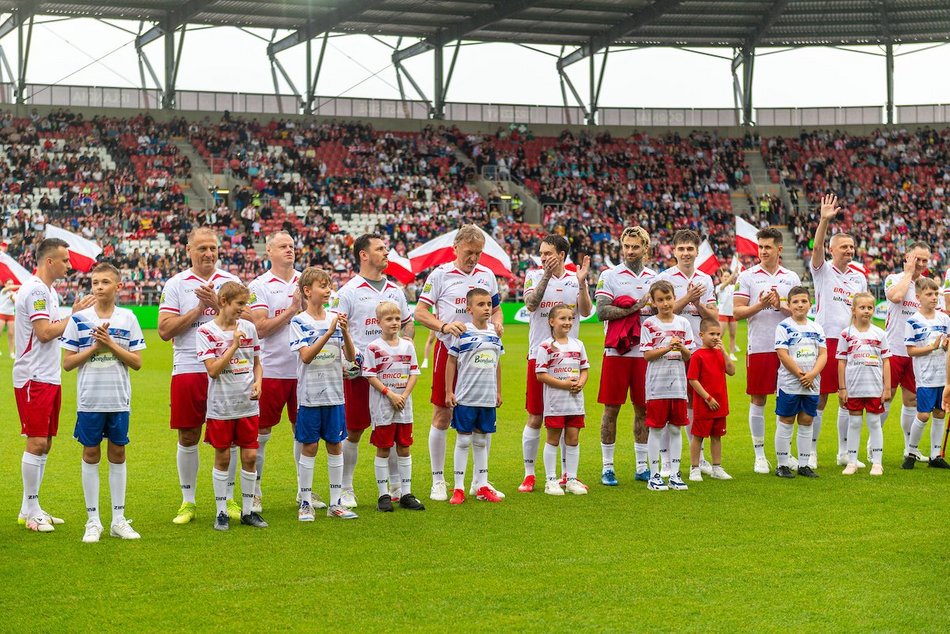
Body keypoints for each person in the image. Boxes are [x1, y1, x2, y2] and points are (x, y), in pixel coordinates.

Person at [414, 225, 504, 502]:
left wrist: (498, 323)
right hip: (449, 352)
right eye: (469, 252)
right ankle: (439, 479)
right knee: (442, 414)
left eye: (478, 253)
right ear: (456, 248)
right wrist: (443, 325)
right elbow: (420, 312)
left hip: (482, 358)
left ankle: (480, 481)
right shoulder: (440, 275)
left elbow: (497, 308)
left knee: (482, 413)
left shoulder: (487, 275)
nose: (474, 258)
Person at [158, 226, 241, 525]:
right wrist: (199, 308)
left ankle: (228, 498)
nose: (208, 253)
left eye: (213, 248)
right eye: (202, 248)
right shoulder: (177, 283)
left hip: (228, 370)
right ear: (189, 250)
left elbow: (246, 322)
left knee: (229, 437)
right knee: (189, 434)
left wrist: (218, 305)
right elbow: (165, 331)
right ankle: (188, 501)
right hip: (189, 367)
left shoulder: (231, 282)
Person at [15, 238, 95, 532]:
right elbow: (45, 332)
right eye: (65, 260)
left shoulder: (47, 291)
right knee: (36, 441)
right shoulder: (36, 289)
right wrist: (73, 316)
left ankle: (29, 507)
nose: (69, 265)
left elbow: (52, 329)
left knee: (45, 441)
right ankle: (32, 509)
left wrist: (70, 316)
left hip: (47, 375)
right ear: (49, 261)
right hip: (33, 377)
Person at [62, 263, 145, 542]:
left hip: (118, 399)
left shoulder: (128, 318)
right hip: (90, 401)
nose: (98, 287)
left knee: (118, 454)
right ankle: (93, 520)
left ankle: (118, 520)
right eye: (95, 282)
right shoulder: (79, 320)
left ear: (118, 287)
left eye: (105, 282)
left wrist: (110, 344)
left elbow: (136, 362)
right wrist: (95, 348)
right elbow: (68, 363)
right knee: (90, 454)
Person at [333, 234, 414, 508]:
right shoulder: (348, 291)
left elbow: (409, 324)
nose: (386, 252)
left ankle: (396, 488)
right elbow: (336, 331)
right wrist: (345, 363)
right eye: (380, 249)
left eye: (386, 248)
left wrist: (406, 344)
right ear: (363, 255)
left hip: (392, 372)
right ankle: (346, 488)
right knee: (354, 430)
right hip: (359, 371)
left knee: (391, 428)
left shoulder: (395, 291)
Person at [519, 234, 592, 493]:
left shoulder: (575, 279)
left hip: (569, 359)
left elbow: (585, 311)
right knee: (536, 416)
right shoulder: (533, 276)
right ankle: (530, 474)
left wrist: (582, 284)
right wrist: (546, 276)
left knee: (567, 419)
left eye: (548, 253)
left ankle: (567, 476)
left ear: (561, 255)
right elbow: (530, 304)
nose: (543, 258)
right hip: (539, 356)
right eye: (541, 253)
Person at [196, 282, 267, 531]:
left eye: (245, 304)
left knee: (249, 457)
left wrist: (258, 382)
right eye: (239, 304)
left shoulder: (249, 327)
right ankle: (221, 512)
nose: (243, 309)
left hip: (247, 405)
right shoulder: (206, 332)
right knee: (223, 457)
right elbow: (213, 370)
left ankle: (248, 512)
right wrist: (234, 345)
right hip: (221, 407)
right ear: (223, 301)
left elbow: (257, 362)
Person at [290, 267, 359, 520]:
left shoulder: (335, 318)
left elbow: (350, 359)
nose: (328, 289)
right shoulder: (299, 322)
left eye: (329, 285)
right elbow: (306, 357)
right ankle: (305, 502)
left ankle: (335, 503)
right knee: (309, 446)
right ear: (307, 291)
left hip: (334, 396)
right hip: (309, 396)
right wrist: (329, 332)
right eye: (322, 285)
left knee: (335, 445)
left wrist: (346, 332)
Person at [733, 227, 801, 474]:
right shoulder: (747, 277)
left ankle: (785, 452)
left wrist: (780, 305)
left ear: (779, 249)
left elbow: (800, 311)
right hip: (760, 346)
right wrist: (759, 305)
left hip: (788, 348)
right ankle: (759, 455)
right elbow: (737, 311)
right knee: (759, 398)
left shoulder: (791, 277)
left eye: (767, 247)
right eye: (760, 246)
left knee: (789, 398)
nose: (762, 251)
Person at [809, 194, 868, 469]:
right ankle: (811, 451)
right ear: (832, 250)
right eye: (843, 246)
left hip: (851, 342)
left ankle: (844, 452)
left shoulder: (860, 276)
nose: (849, 250)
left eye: (852, 246)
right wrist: (823, 220)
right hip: (826, 341)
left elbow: (862, 309)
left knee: (848, 398)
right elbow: (817, 246)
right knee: (820, 398)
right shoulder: (822, 270)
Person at [594, 226, 656, 486]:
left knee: (643, 409)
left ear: (645, 248)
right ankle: (607, 467)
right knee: (611, 409)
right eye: (626, 246)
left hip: (645, 353)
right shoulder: (610, 275)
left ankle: (642, 466)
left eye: (635, 246)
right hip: (616, 353)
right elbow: (601, 311)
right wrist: (636, 307)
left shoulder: (655, 277)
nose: (630, 251)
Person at [246, 231, 303, 513]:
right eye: (283, 246)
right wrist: (293, 309)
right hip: (271, 370)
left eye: (292, 246)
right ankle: (255, 490)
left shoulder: (306, 281)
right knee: (262, 431)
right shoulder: (259, 286)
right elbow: (260, 328)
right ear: (269, 251)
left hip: (304, 370)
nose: (289, 250)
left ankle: (303, 491)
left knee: (302, 431)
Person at [656, 229, 718, 474]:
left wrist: (698, 303)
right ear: (674, 251)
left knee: (695, 401)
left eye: (690, 249)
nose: (685, 253)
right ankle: (667, 460)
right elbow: (661, 314)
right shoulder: (665, 278)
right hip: (671, 349)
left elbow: (713, 318)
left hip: (697, 350)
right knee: (672, 402)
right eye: (681, 249)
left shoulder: (706, 279)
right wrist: (687, 298)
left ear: (697, 251)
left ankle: (698, 455)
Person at [362, 301, 425, 512]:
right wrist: (390, 394)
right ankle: (383, 495)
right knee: (384, 448)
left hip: (404, 406)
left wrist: (404, 396)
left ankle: (405, 493)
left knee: (404, 447)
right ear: (378, 322)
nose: (394, 323)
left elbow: (414, 372)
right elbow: (370, 375)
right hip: (383, 406)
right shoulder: (373, 347)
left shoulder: (408, 346)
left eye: (397, 318)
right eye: (389, 319)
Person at [444, 288, 504, 505]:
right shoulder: (463, 332)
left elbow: (497, 363)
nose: (487, 308)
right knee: (463, 440)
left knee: (481, 441)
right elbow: (451, 362)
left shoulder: (495, 334)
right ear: (469, 309)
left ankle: (482, 485)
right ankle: (458, 488)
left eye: (489, 304)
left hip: (486, 397)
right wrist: (449, 391)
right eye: (481, 304)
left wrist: (498, 391)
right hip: (466, 397)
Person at [640, 280, 694, 491]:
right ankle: (654, 475)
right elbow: (647, 355)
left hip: (678, 386)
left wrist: (680, 348)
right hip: (657, 386)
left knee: (675, 429)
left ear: (674, 297)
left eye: (668, 298)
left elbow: (690, 355)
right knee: (656, 429)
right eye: (660, 300)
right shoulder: (649, 324)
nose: (665, 303)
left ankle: (675, 474)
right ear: (653, 303)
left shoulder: (683, 324)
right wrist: (666, 347)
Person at [534, 303, 590, 496]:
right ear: (551, 321)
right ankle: (551, 480)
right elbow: (540, 374)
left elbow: (584, 369)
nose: (567, 322)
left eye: (570, 319)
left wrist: (581, 382)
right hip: (555, 403)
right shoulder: (545, 346)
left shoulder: (578, 344)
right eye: (563, 318)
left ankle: (571, 479)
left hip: (575, 402)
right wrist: (564, 384)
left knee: (573, 439)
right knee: (553, 439)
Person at [883, 243, 931, 462]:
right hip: (893, 349)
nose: (921, 264)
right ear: (908, 257)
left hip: (917, 353)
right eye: (917, 259)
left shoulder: (927, 287)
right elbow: (895, 297)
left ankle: (909, 448)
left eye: (925, 260)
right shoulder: (894, 278)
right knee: (887, 397)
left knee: (911, 400)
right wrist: (909, 274)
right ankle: (874, 444)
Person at [773, 286, 826, 479]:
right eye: (795, 301)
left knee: (806, 420)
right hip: (790, 383)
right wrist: (800, 374)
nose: (800, 305)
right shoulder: (784, 327)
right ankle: (782, 464)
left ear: (810, 304)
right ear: (789, 304)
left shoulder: (817, 327)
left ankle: (804, 464)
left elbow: (823, 354)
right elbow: (782, 354)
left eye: (804, 301)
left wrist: (811, 374)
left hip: (812, 383)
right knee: (786, 420)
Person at [837, 292, 890, 476]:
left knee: (875, 423)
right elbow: (842, 362)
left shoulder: (880, 333)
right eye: (862, 307)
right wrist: (842, 388)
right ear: (853, 310)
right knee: (855, 423)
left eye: (870, 308)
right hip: (854, 388)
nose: (866, 311)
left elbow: (886, 361)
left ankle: (877, 463)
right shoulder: (846, 334)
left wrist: (887, 388)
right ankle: (851, 462)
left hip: (874, 388)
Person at [902, 277, 950, 469]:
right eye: (929, 294)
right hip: (925, 376)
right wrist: (932, 347)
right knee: (923, 415)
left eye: (936, 294)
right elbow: (911, 351)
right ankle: (911, 452)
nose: (934, 298)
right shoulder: (913, 321)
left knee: (940, 413)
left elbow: (948, 347)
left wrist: (945, 346)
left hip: (943, 375)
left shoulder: (944, 319)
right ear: (918, 297)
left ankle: (935, 455)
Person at [686, 318, 735, 482]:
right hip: (704, 405)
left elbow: (732, 371)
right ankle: (694, 467)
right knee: (698, 437)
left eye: (718, 334)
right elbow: (693, 379)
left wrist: (725, 352)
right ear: (701, 335)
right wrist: (707, 398)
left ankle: (716, 467)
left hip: (720, 404)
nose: (715, 337)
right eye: (711, 334)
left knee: (717, 436)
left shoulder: (719, 353)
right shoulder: (697, 356)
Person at [716, 266, 739, 361]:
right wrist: (734, 274)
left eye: (727, 276)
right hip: (723, 313)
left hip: (732, 314)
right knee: (720, 336)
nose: (726, 278)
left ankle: (732, 353)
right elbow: (725, 284)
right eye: (724, 276)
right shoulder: (719, 287)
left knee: (732, 335)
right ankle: (717, 353)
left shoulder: (733, 287)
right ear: (721, 278)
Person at [0, 278, 17, 358]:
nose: (11, 285)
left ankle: (11, 353)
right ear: (5, 284)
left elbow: (15, 302)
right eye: (9, 283)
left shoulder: (14, 293)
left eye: (12, 283)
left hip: (10, 314)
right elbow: (9, 289)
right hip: (2, 313)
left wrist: (12, 297)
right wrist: (22, 286)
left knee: (11, 334)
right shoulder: (3, 291)